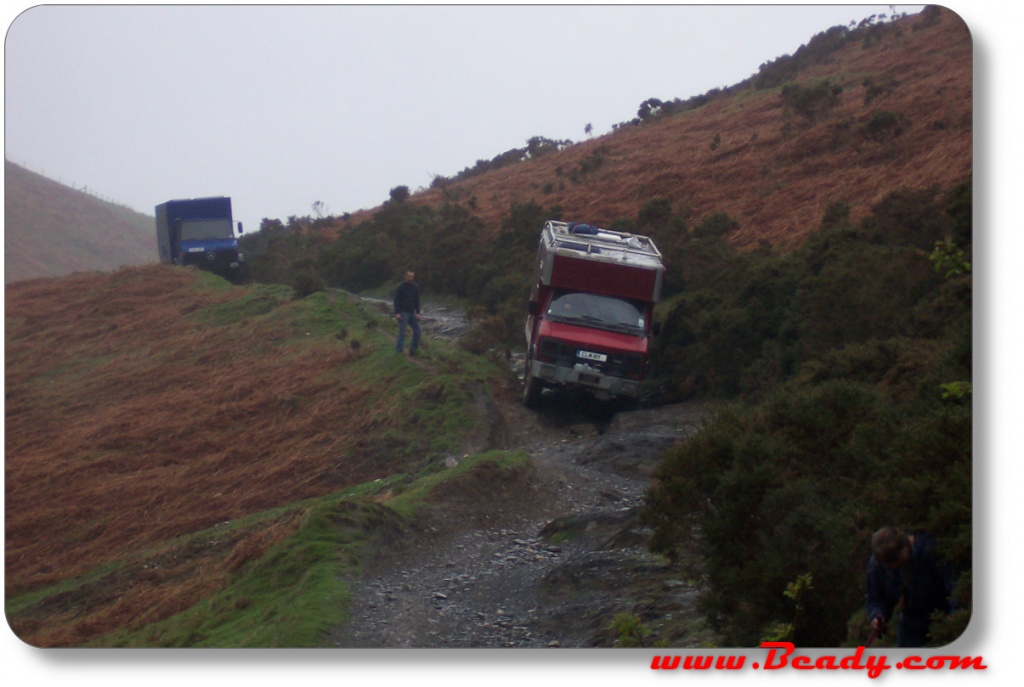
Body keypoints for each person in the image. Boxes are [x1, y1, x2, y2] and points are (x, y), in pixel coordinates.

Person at [865, 527, 956, 647]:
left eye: (897, 559)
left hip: (943, 617)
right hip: (911, 624)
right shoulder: (878, 564)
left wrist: (955, 615)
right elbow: (875, 598)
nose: (894, 565)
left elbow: (954, 585)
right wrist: (878, 615)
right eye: (888, 563)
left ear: (906, 545)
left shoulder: (929, 549)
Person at [393, 270, 421, 356]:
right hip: (403, 312)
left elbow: (417, 300)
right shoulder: (400, 287)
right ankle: (398, 351)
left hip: (412, 312)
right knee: (402, 332)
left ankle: (412, 351)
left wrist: (418, 313)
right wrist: (397, 313)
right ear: (405, 276)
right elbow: (396, 300)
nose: (410, 278)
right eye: (409, 276)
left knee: (418, 332)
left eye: (412, 276)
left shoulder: (415, 287)